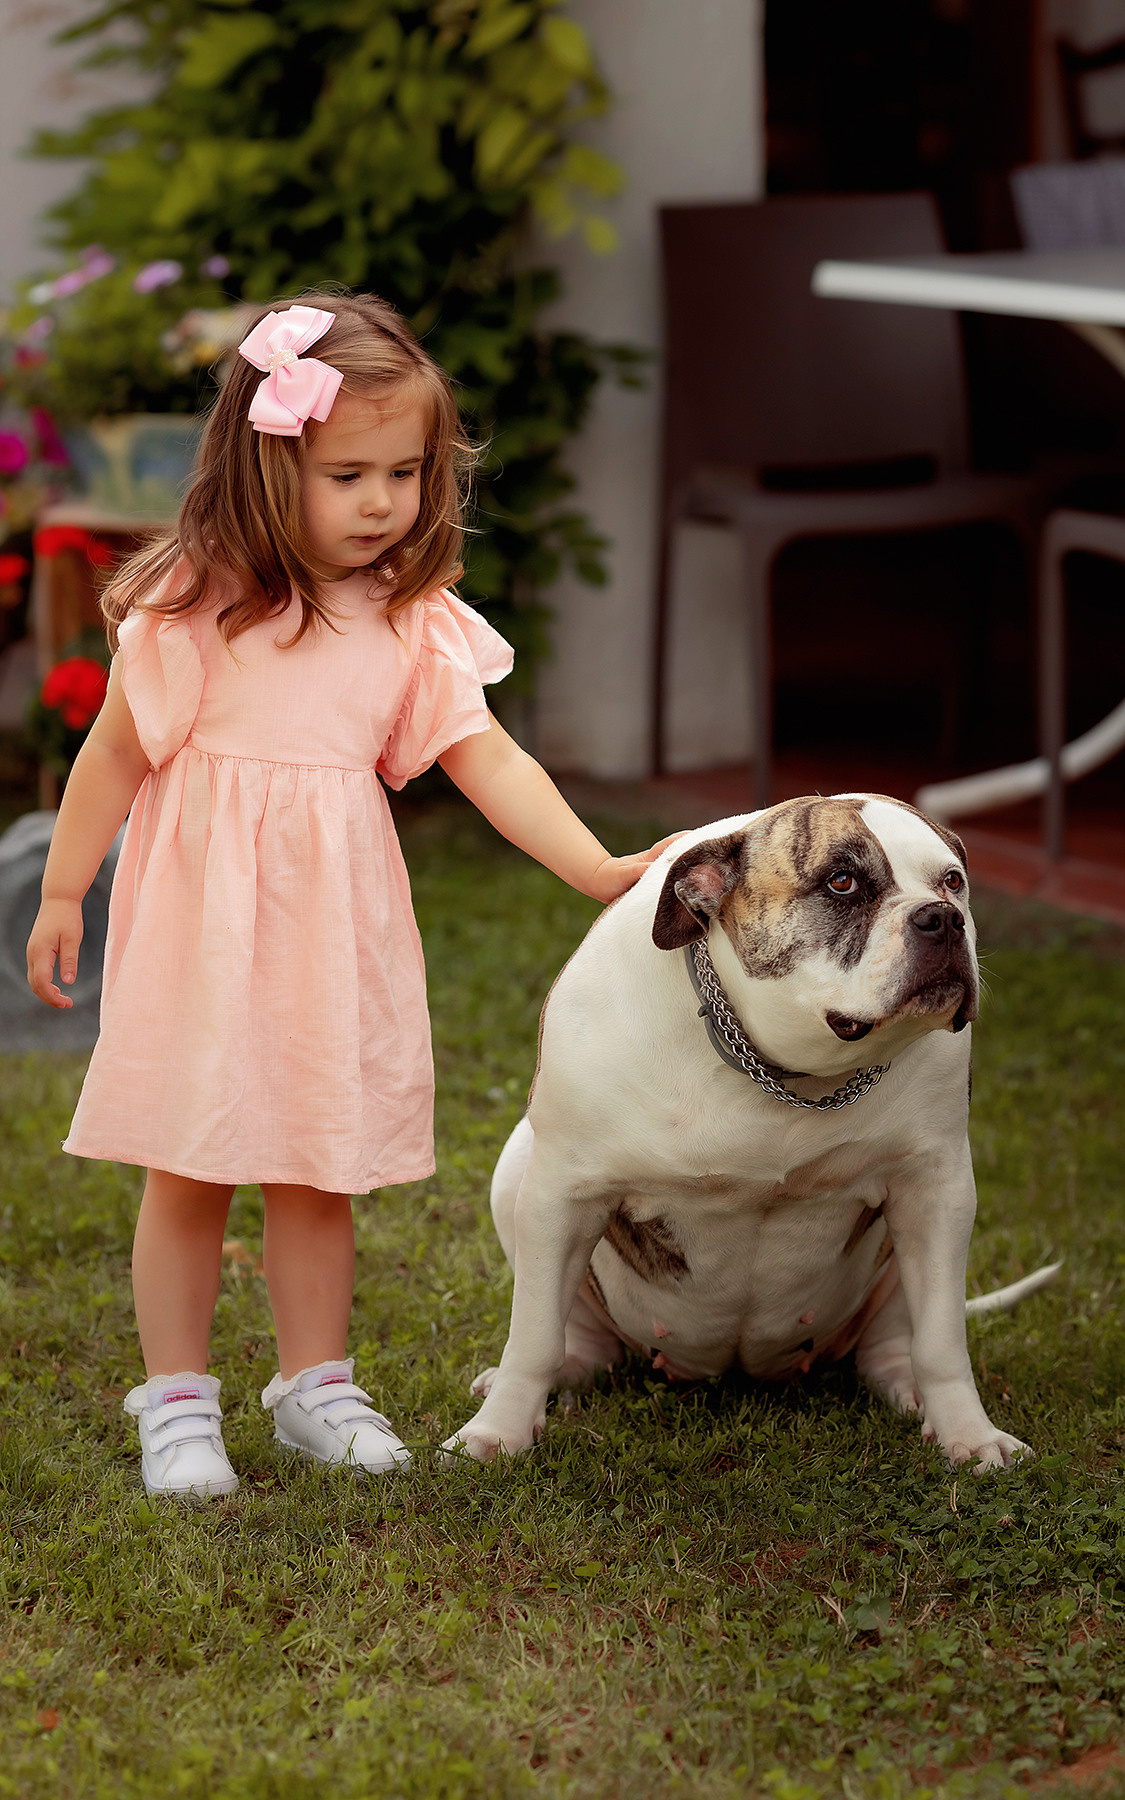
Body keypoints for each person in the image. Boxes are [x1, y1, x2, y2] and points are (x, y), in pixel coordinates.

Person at [26, 293, 672, 1501]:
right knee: (193, 1163)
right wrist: (66, 889)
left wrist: (593, 864)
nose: (384, 502)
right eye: (348, 474)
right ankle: (175, 1400)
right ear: (269, 471)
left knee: (318, 1166)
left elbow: (489, 758)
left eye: (407, 472)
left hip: (328, 934)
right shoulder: (194, 613)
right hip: (202, 938)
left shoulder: (412, 624)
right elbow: (113, 753)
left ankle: (315, 1383)